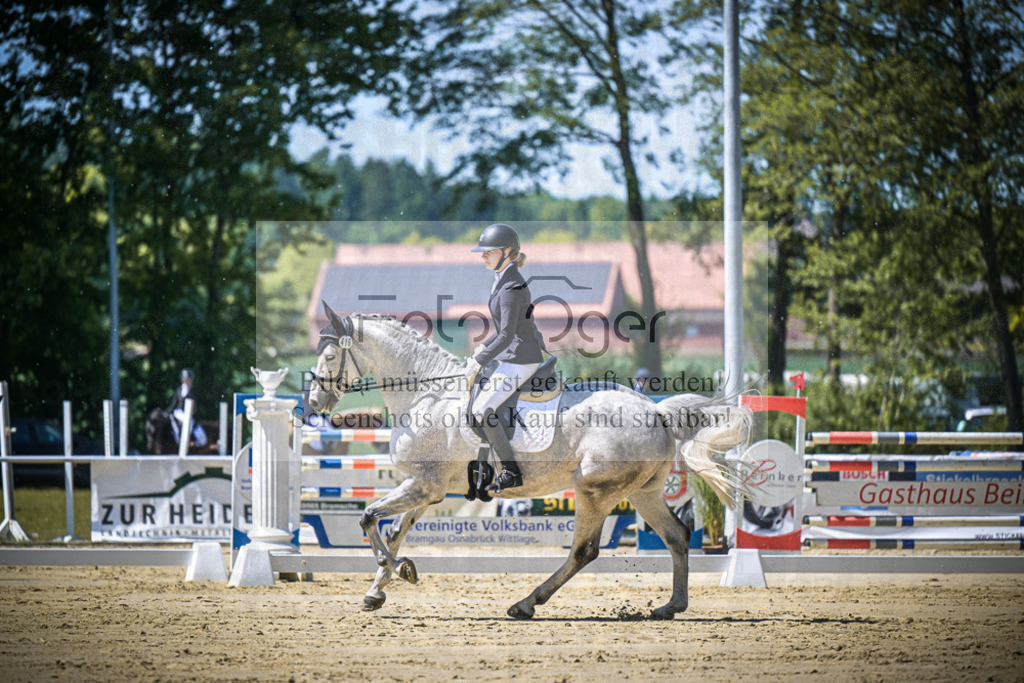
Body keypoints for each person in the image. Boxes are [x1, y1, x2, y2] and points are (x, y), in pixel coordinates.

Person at [465, 223, 544, 492]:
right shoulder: (502, 280)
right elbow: (502, 332)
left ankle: (511, 471)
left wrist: (480, 359)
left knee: (481, 409)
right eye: (482, 252)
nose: (483, 255)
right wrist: (480, 350)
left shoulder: (511, 287)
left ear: (507, 251)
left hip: (521, 358)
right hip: (511, 355)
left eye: (489, 251)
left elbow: (508, 335)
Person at [169, 368, 208, 448]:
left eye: (189, 380)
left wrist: (191, 414)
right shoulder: (179, 390)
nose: (188, 382)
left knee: (189, 422)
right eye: (186, 380)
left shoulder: (193, 391)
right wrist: (168, 412)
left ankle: (188, 440)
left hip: (189, 413)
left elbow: (195, 406)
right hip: (179, 412)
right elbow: (174, 403)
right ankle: (179, 439)